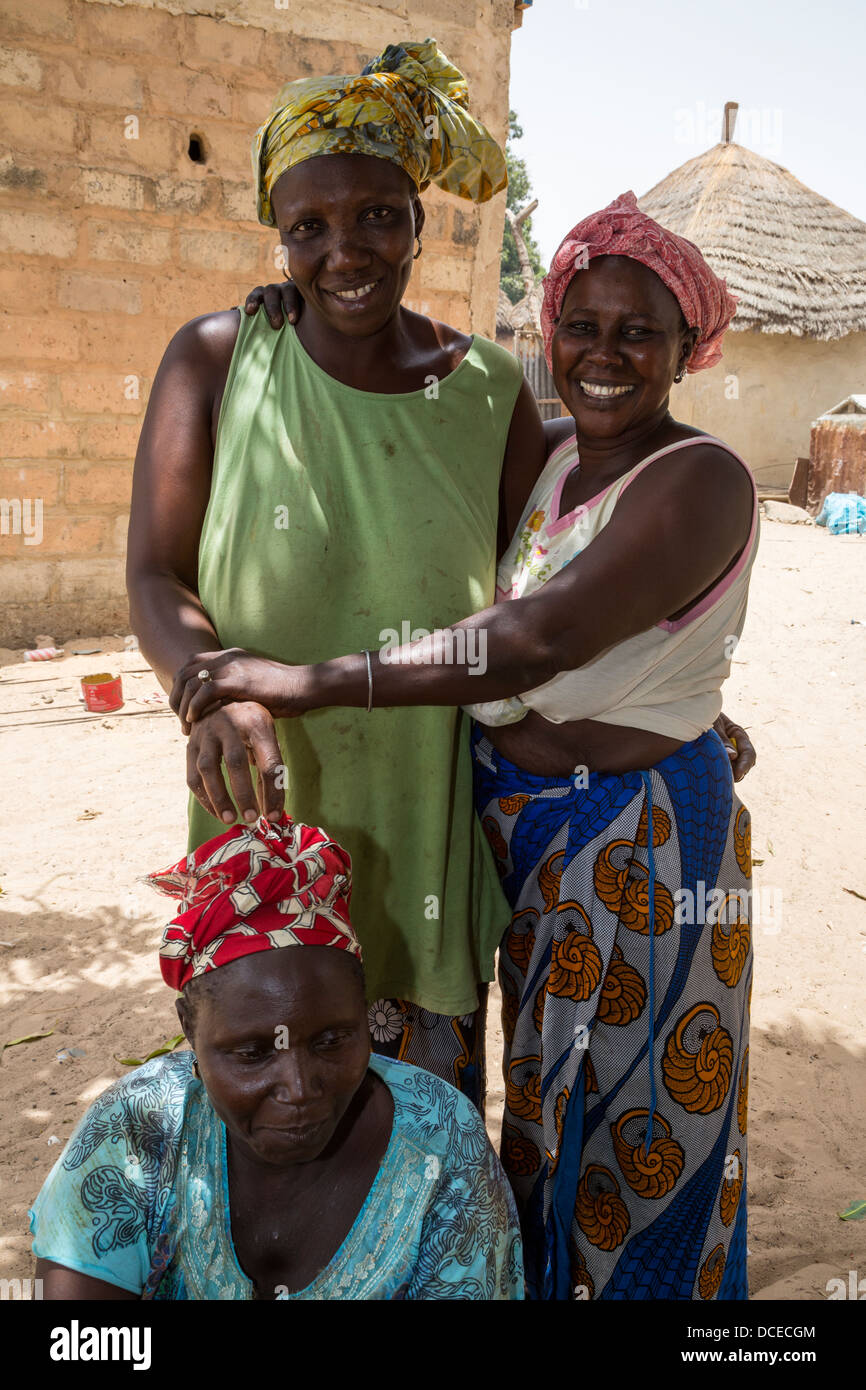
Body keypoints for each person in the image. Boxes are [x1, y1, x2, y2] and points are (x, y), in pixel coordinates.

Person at [173, 193, 758, 1301]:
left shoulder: (697, 476)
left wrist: (302, 680)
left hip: (634, 837)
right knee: (543, 1113)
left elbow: (531, 635)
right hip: (527, 836)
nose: (603, 354)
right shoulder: (550, 461)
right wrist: (289, 316)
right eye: (580, 325)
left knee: (640, 1128)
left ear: (688, 344)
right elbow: (411, 440)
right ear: (547, 332)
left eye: (638, 331)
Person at [126, 38, 545, 1105]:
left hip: (426, 826)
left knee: (420, 1151)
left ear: (418, 219)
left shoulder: (490, 392)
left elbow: (551, 597)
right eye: (306, 227)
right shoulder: (220, 358)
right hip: (260, 825)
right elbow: (153, 573)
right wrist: (203, 687)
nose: (342, 252)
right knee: (272, 1125)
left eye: (375, 216)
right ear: (279, 239)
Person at [30, 815, 523, 1300]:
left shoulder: (441, 1140)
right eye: (252, 1053)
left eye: (332, 1041)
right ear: (189, 1028)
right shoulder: (137, 1129)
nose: (300, 1088)